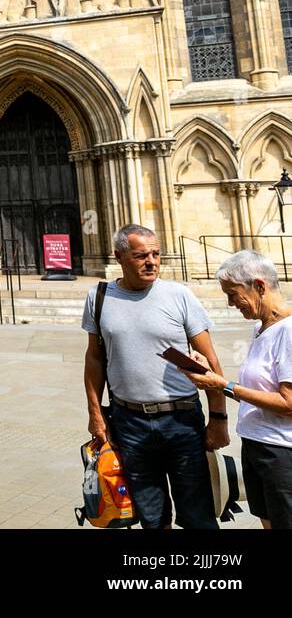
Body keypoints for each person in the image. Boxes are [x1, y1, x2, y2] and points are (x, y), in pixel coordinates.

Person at [82, 223, 227, 529]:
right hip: (129, 421)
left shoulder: (179, 295)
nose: (151, 262)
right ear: (119, 256)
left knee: (198, 516)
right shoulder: (99, 296)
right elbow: (94, 358)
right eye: (140, 255)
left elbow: (211, 360)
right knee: (151, 516)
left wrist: (218, 419)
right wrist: (96, 415)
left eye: (156, 254)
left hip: (182, 420)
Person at [184, 251, 292, 529]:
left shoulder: (288, 331)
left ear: (259, 285)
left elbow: (289, 403)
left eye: (233, 294)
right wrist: (210, 375)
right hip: (257, 445)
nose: (231, 304)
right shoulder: (261, 327)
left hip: (282, 453)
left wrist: (225, 385)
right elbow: (257, 389)